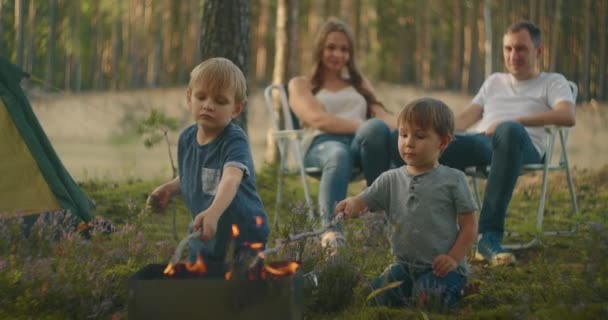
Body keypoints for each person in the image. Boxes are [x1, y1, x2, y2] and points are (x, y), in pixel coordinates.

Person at [438, 21, 576, 266]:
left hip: (522, 147)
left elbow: (567, 115)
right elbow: (464, 119)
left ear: (539, 51)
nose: (513, 55)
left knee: (509, 129)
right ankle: (431, 229)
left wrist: (514, 121)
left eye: (521, 49)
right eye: (508, 49)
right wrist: (430, 128)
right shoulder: (494, 82)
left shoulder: (552, 82)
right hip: (482, 143)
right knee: (433, 143)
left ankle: (488, 237)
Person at [336, 98, 478, 307]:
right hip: (403, 266)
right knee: (376, 297)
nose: (408, 142)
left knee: (428, 299)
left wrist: (453, 259)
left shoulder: (453, 179)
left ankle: (457, 288)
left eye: (420, 136)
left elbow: (469, 226)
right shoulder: (390, 178)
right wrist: (351, 204)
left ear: (443, 142)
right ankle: (414, 289)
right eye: (403, 134)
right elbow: (364, 201)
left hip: (442, 268)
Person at [147, 57, 269, 264]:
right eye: (201, 97)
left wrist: (213, 212)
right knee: (202, 287)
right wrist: (168, 188)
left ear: (237, 109)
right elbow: (192, 175)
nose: (208, 106)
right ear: (189, 98)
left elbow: (231, 179)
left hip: (242, 234)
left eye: (220, 101)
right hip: (205, 232)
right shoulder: (187, 138)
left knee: (240, 290)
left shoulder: (233, 140)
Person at [288, 18, 396, 248]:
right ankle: (331, 233)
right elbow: (318, 119)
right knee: (340, 152)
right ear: (320, 49)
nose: (337, 54)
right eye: (331, 47)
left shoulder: (358, 84)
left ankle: (377, 221)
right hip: (321, 144)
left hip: (358, 146)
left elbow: (382, 117)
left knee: (376, 128)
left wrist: (411, 127)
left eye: (344, 49)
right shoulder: (301, 84)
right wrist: (362, 124)